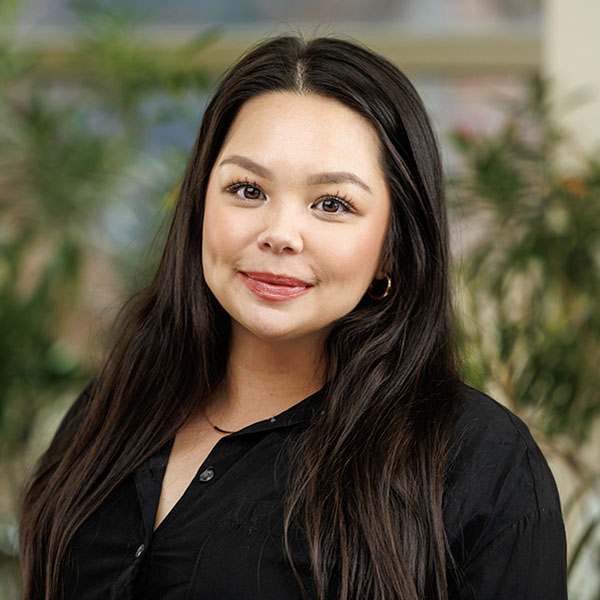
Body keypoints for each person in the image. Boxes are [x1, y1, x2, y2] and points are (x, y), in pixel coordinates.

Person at [19, 35, 567, 600]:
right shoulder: (111, 409)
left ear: (393, 248)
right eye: (247, 189)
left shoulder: (481, 463)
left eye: (332, 204)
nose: (280, 233)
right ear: (200, 205)